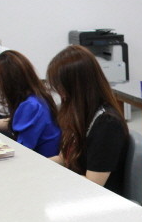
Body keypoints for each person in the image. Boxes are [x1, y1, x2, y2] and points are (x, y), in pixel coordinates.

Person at [46, 45, 128, 195]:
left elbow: (93, 184)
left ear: (76, 87)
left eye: (61, 87)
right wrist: (36, 165)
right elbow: (63, 159)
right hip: (77, 190)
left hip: (96, 198)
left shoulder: (107, 124)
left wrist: (54, 179)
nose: (60, 94)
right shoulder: (79, 114)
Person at [0, 50, 61, 157]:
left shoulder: (30, 106)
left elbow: (23, 148)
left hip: (42, 161)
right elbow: (13, 122)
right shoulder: (38, 96)